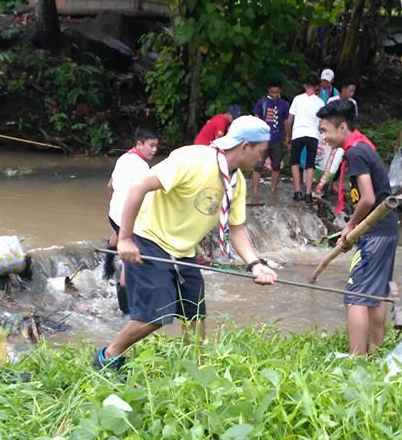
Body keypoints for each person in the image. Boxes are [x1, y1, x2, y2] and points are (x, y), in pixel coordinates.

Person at [93, 116, 278, 370]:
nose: (263, 159)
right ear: (245, 146)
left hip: (183, 250)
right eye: (261, 152)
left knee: (195, 312)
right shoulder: (193, 160)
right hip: (150, 239)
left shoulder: (236, 182)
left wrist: (255, 264)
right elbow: (138, 188)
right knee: (155, 315)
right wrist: (124, 239)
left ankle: (194, 369)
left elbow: (237, 229)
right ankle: (108, 357)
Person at [317, 100, 400, 355]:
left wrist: (350, 227)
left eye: (325, 131)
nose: (323, 137)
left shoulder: (355, 153)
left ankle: (357, 360)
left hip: (373, 232)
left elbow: (367, 198)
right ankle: (375, 352)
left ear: (342, 127)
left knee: (354, 296)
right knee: (376, 293)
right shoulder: (363, 145)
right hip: (386, 230)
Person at [105, 127, 159, 314]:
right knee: (129, 259)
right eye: (151, 145)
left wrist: (115, 203)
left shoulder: (123, 158)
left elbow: (110, 185)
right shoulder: (142, 167)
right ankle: (125, 307)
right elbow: (146, 196)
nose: (154, 150)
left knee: (118, 235)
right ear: (139, 144)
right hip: (127, 216)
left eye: (156, 146)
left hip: (114, 213)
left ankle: (106, 269)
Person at [251, 78, 291, 203]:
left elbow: (286, 122)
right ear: (268, 90)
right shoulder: (261, 103)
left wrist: (287, 138)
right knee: (258, 165)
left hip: (277, 139)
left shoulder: (284, 105)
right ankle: (255, 191)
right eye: (272, 92)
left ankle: (273, 190)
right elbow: (256, 119)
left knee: (276, 165)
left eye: (277, 93)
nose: (274, 95)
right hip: (262, 139)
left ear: (280, 91)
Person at [286, 75, 325, 201]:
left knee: (295, 162)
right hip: (313, 135)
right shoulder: (320, 102)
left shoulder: (297, 99)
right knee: (310, 164)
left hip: (298, 133)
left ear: (304, 85)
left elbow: (289, 120)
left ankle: (297, 191)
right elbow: (321, 123)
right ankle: (308, 193)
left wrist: (288, 136)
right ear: (317, 86)